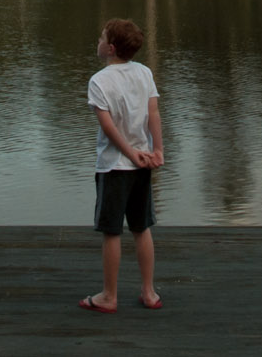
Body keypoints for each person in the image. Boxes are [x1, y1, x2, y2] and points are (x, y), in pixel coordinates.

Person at [79, 17, 164, 313]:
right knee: (142, 228)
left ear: (110, 48)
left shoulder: (99, 81)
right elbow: (153, 113)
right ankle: (149, 292)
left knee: (112, 231)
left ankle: (109, 296)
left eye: (101, 37)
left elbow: (109, 128)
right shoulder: (144, 72)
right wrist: (157, 150)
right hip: (143, 163)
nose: (98, 41)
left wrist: (129, 152)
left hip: (114, 167)